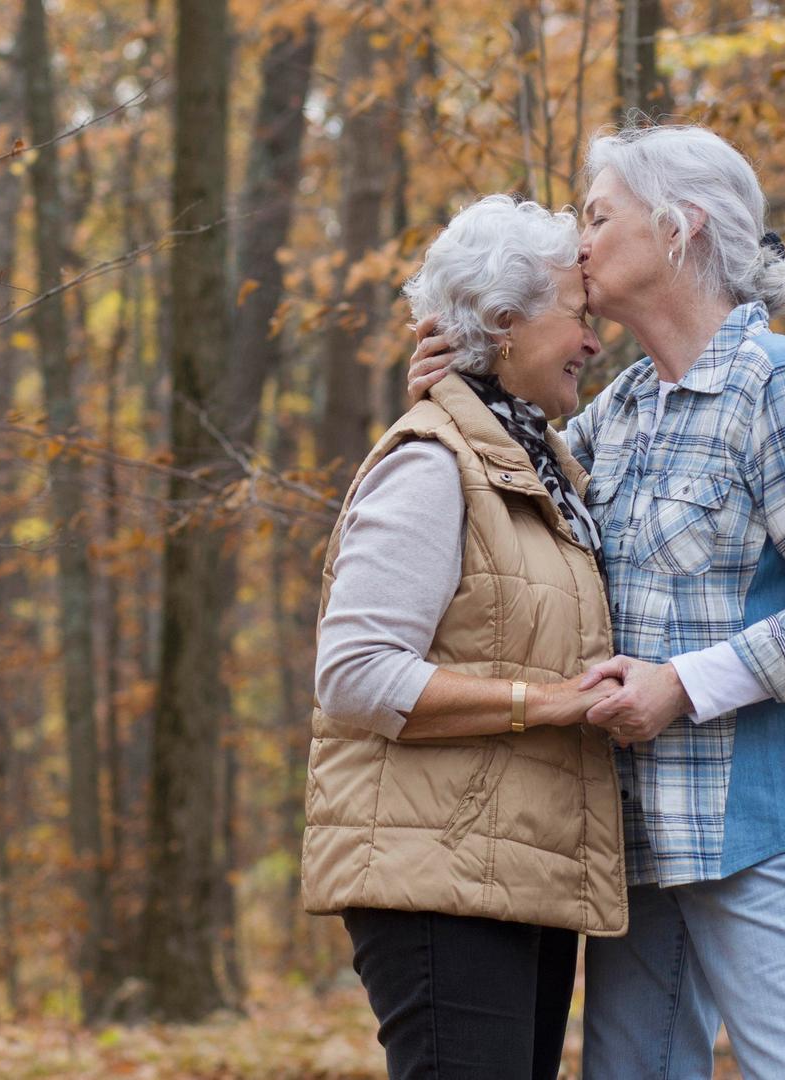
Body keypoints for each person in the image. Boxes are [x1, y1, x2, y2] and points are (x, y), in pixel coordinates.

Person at [408, 125, 785, 1079]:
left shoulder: (777, 386)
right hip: (638, 830)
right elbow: (507, 495)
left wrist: (683, 685)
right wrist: (455, 380)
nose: (580, 242)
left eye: (597, 216)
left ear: (680, 228)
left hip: (769, 818)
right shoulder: (624, 408)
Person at [303, 194, 629, 1080]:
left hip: (515, 867)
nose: (595, 340)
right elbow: (358, 676)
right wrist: (554, 702)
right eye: (577, 314)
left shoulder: (536, 464)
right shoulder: (430, 464)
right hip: (438, 874)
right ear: (504, 322)